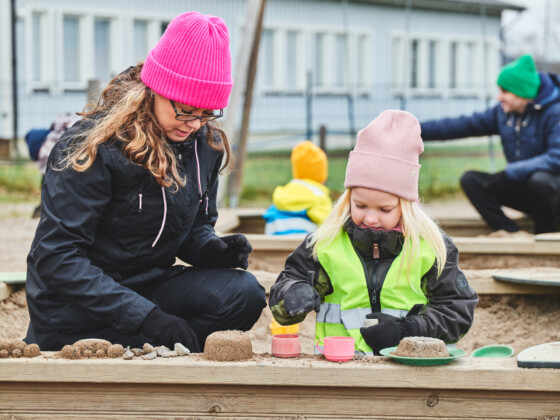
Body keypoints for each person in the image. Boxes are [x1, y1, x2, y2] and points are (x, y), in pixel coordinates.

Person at [24, 11, 267, 352]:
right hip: (75, 305)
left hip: (147, 284)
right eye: (185, 109)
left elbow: (193, 228)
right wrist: (146, 317)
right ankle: (135, 347)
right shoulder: (93, 147)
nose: (194, 124)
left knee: (243, 293)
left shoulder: (203, 146)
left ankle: (148, 352)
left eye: (207, 112)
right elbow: (57, 258)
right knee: (152, 327)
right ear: (155, 89)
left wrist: (211, 250)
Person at [269, 110, 478, 356]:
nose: (370, 218)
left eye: (385, 209)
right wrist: (293, 293)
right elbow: (284, 292)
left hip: (408, 370)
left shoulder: (430, 248)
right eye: (360, 205)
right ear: (348, 199)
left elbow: (457, 312)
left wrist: (407, 330)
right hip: (338, 369)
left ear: (407, 205)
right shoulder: (325, 243)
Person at [420, 54, 560, 234]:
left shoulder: (554, 113)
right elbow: (460, 125)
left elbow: (556, 157)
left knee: (540, 181)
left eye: (505, 91)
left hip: (553, 193)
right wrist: (414, 129)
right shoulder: (502, 114)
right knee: (471, 180)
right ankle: (510, 233)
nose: (499, 97)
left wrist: (511, 172)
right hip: (528, 190)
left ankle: (545, 236)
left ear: (522, 92)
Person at [263, 140, 332, 235]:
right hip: (303, 246)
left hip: (273, 243)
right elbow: (330, 225)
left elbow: (268, 215)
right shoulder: (319, 197)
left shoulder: (282, 194)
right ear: (322, 177)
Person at [25, 113, 80, 218]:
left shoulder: (46, 146)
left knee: (47, 181)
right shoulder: (55, 136)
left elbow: (45, 172)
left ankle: (45, 207)